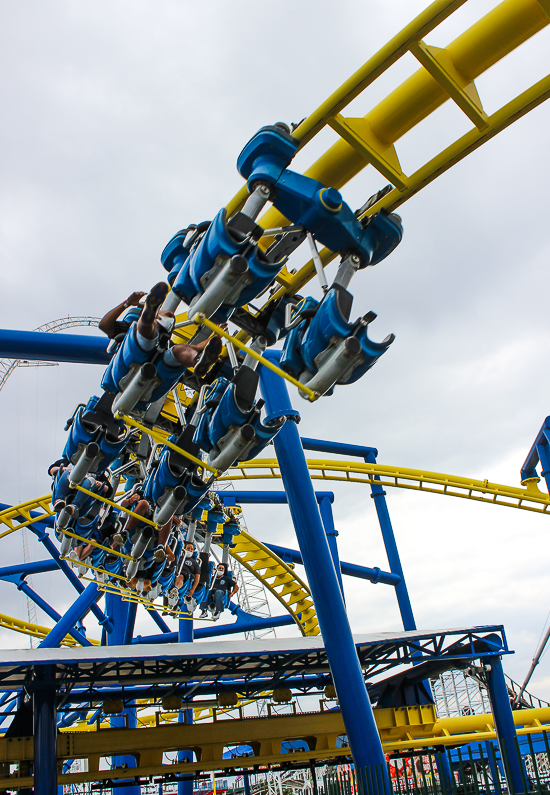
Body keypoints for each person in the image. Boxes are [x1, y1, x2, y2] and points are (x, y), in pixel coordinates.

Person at [99, 282, 223, 378]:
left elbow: (196, 347)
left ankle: (198, 362)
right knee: (147, 331)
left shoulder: (167, 342)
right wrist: (127, 303)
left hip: (158, 369)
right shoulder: (132, 328)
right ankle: (148, 316)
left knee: (180, 349)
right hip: (130, 359)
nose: (171, 318)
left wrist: (216, 337)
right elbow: (104, 325)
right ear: (157, 315)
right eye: (168, 315)